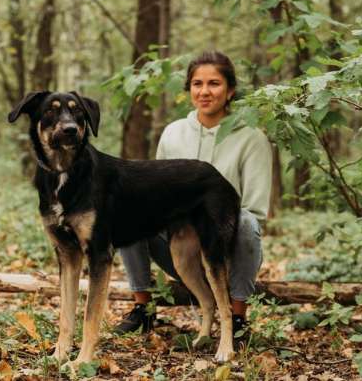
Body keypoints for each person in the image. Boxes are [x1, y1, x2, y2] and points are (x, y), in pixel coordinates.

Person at [114, 50, 273, 342]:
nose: (204, 91)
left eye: (214, 83)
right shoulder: (173, 133)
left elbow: (255, 211)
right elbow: (155, 197)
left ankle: (237, 318)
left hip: (228, 244)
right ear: (189, 89)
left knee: (249, 223)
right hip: (178, 244)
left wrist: (212, 235)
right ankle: (143, 309)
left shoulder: (252, 138)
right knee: (129, 216)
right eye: (197, 84)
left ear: (230, 90)